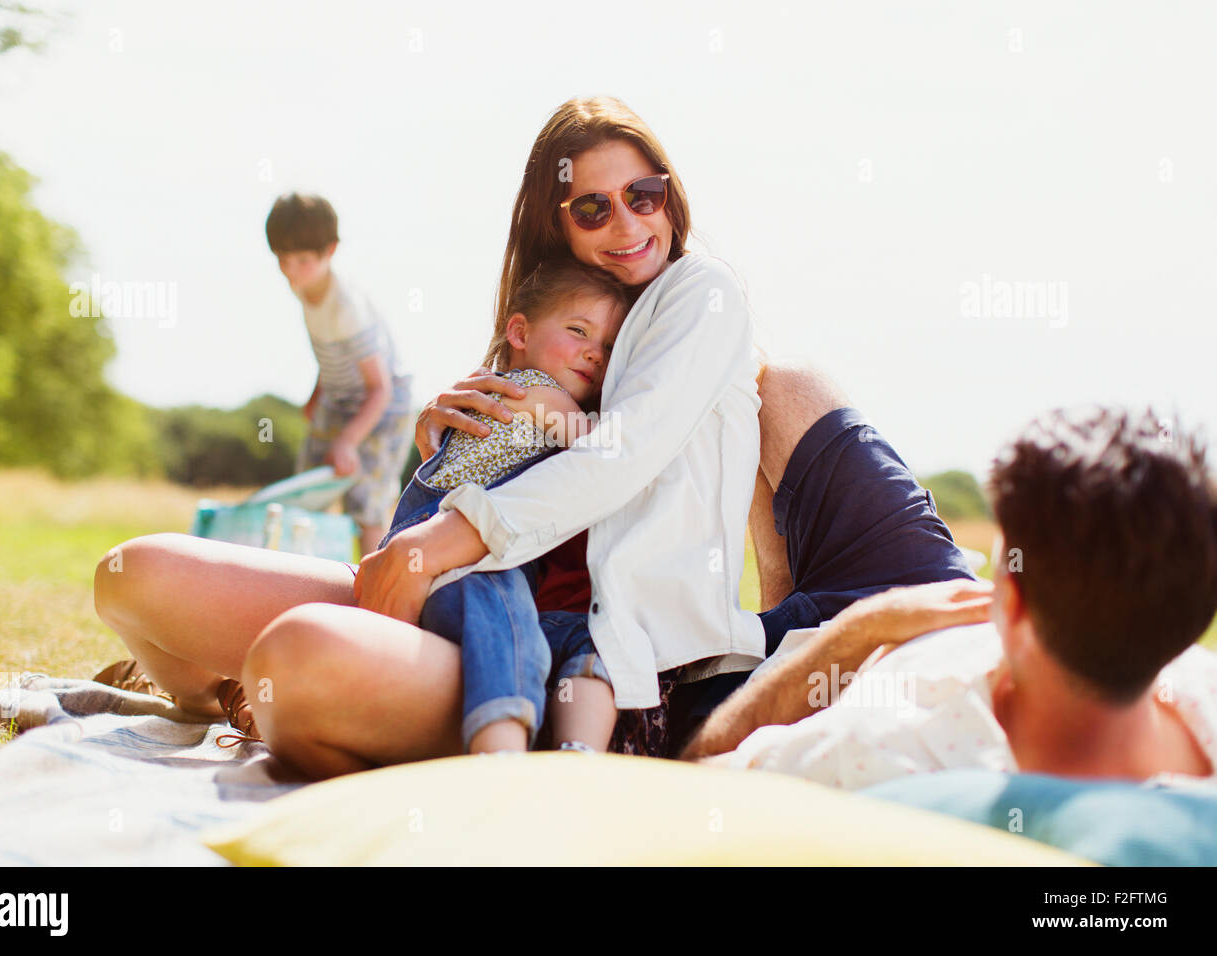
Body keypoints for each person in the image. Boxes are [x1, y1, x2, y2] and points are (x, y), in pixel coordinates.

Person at [92, 96, 970, 779]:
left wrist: (436, 541)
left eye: (643, 196)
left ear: (671, 194)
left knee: (301, 658)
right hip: (466, 596)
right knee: (134, 575)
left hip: (577, 657)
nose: (626, 224)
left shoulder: (698, 294)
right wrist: (461, 430)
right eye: (593, 209)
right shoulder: (565, 331)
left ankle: (450, 733)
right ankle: (236, 698)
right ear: (557, 227)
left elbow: (624, 452)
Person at [690, 407, 1217, 788]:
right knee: (785, 387)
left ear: (1007, 602)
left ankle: (775, 631)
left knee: (773, 384)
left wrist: (862, 630)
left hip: (851, 654)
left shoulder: (880, 750)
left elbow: (696, 771)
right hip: (937, 611)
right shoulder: (1196, 698)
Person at [382, 257, 630, 754]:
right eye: (578, 330)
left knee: (589, 637)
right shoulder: (541, 393)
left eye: (608, 346)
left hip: (472, 553)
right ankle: (501, 754)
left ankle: (574, 752)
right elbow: (606, 457)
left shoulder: (489, 391)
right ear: (518, 331)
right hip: (456, 546)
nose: (594, 354)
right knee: (510, 631)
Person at [266, 192, 414, 556]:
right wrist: (318, 392)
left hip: (382, 406)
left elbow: (378, 387)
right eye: (283, 259)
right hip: (340, 396)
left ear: (329, 251)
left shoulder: (347, 308)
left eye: (302, 260)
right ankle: (301, 571)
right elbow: (331, 352)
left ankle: (370, 584)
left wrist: (348, 440)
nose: (291, 270)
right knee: (307, 484)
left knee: (365, 501)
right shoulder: (303, 289)